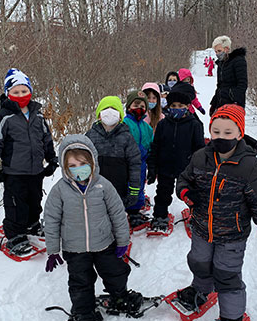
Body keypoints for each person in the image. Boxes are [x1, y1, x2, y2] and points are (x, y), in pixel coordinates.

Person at [175, 104, 257, 321]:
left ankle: (231, 320)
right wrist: (186, 194)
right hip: (202, 227)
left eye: (228, 132)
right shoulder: (201, 157)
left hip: (232, 235)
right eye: (216, 132)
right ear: (210, 132)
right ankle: (201, 291)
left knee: (226, 274)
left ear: (239, 133)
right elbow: (184, 179)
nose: (221, 137)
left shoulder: (248, 166)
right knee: (199, 261)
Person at [43, 135, 144, 321]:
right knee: (81, 282)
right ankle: (84, 312)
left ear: (92, 162)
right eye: (72, 165)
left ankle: (119, 296)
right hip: (75, 249)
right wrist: (53, 250)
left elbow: (117, 213)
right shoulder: (59, 191)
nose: (78, 168)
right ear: (64, 167)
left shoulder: (103, 185)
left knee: (116, 272)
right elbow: (51, 220)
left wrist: (123, 241)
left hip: (104, 243)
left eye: (82, 163)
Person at [0, 68, 57, 256]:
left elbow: (46, 138)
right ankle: (15, 234)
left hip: (35, 170)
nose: (20, 95)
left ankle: (32, 224)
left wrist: (52, 159)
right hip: (14, 171)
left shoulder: (38, 115)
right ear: (8, 93)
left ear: (30, 92)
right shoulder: (4, 116)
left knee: (35, 200)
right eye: (15, 92)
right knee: (16, 204)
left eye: (24, 91)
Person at [146, 82, 205, 232]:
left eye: (180, 106)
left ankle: (197, 215)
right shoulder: (163, 124)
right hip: (165, 166)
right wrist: (153, 168)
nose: (177, 108)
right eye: (174, 106)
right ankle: (160, 216)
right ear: (169, 107)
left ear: (186, 107)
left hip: (186, 168)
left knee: (191, 193)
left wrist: (199, 169)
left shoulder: (194, 125)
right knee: (163, 193)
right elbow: (156, 146)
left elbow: (199, 149)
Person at [85, 96, 141, 210]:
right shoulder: (91, 136)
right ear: (99, 115)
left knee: (116, 213)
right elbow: (83, 161)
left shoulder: (126, 136)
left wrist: (134, 190)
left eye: (114, 109)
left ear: (120, 115)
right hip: (95, 187)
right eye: (106, 109)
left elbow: (134, 164)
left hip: (119, 188)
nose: (110, 112)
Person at [123, 90, 154, 228]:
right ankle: (122, 208)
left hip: (141, 163)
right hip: (125, 163)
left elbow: (151, 145)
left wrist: (152, 162)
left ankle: (135, 211)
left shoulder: (146, 127)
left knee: (139, 185)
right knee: (125, 186)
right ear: (129, 106)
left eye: (142, 106)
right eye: (136, 105)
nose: (139, 108)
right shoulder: (124, 124)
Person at [209, 35, 248, 115]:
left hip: (234, 105)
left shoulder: (238, 61)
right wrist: (214, 102)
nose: (217, 54)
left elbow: (242, 84)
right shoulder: (221, 64)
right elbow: (220, 86)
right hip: (221, 104)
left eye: (219, 51)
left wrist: (233, 99)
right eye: (216, 52)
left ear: (226, 49)